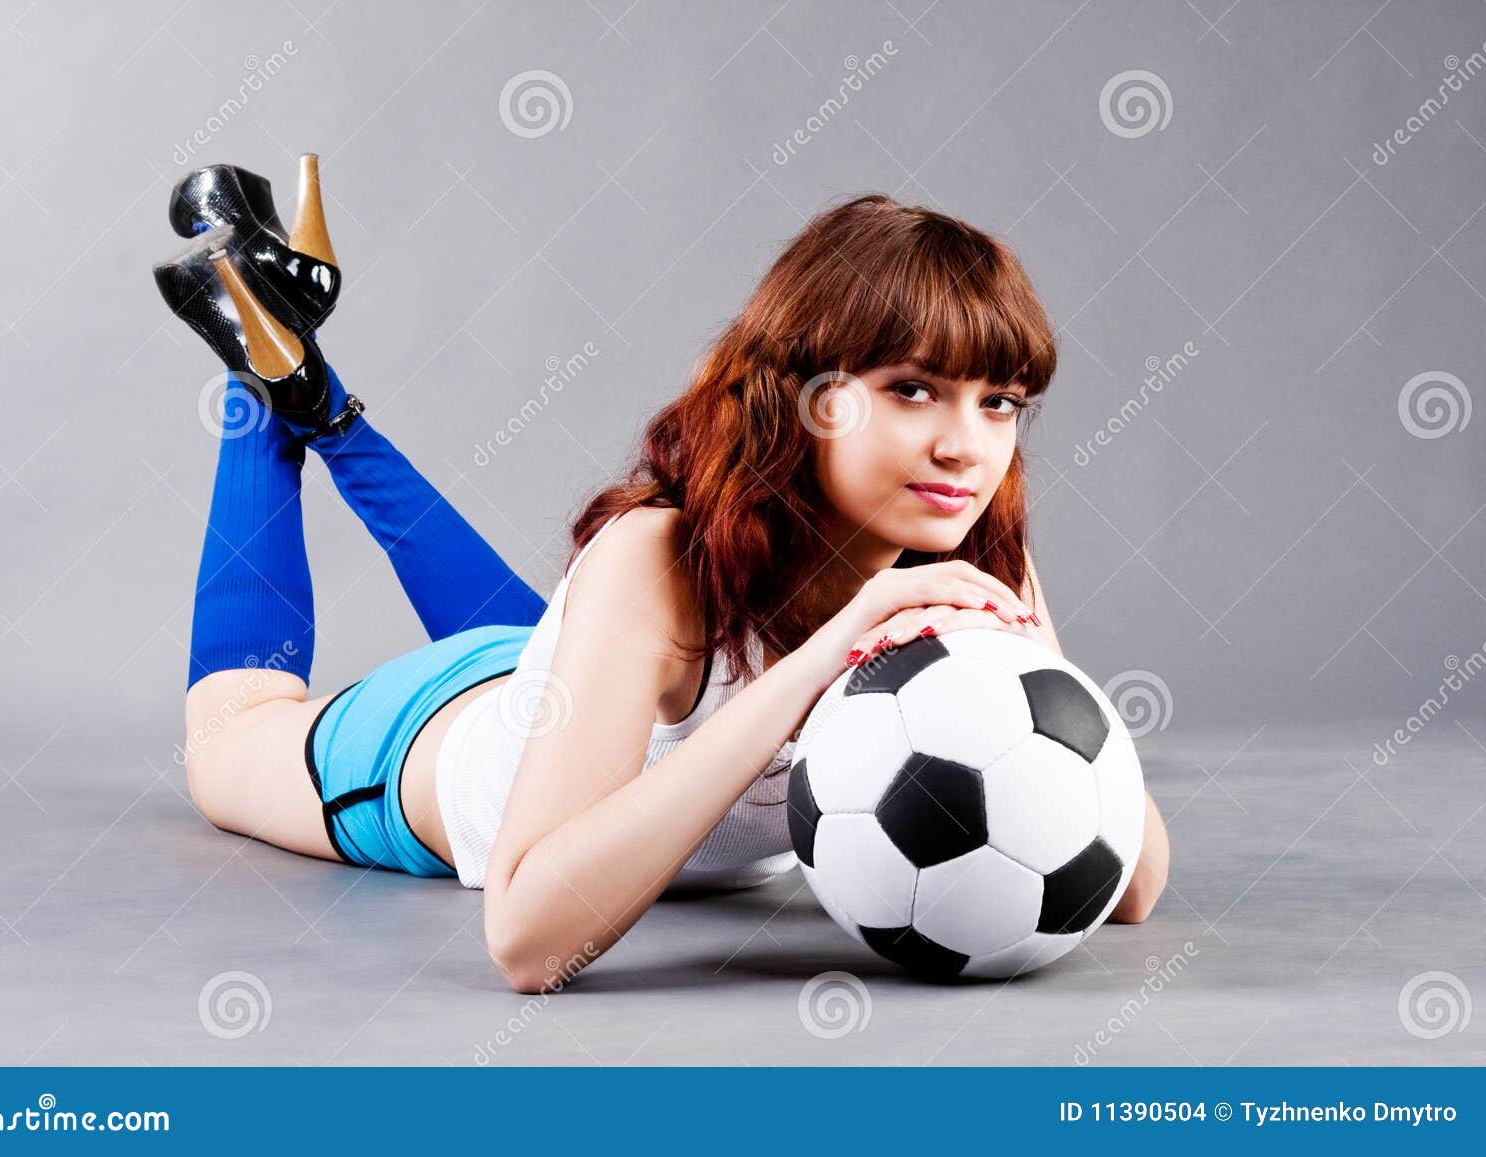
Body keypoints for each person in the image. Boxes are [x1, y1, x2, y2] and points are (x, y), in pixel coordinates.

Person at [158, 181, 1170, 995]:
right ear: (807, 394)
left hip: (569, 687)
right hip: (428, 749)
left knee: (533, 644)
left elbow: (1131, 883)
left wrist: (1028, 644)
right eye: (913, 389)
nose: (967, 447)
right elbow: (525, 942)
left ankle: (321, 399)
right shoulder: (655, 562)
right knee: (226, 736)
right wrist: (823, 657)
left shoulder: (966, 554)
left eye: (1000, 403)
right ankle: (266, 376)